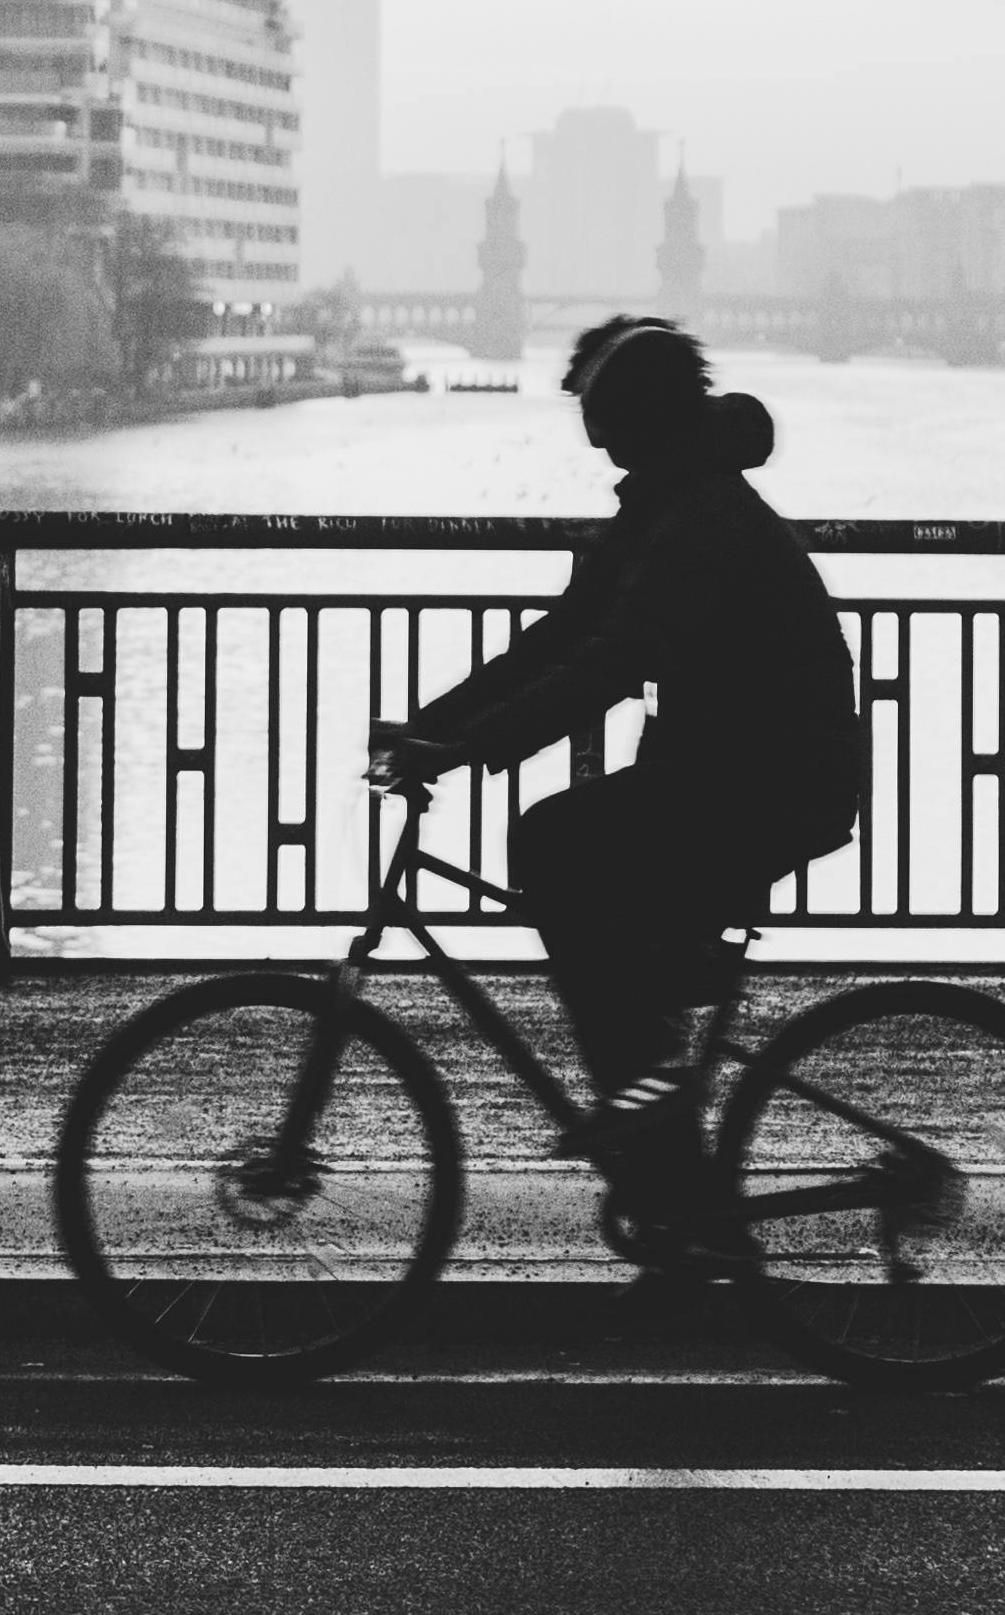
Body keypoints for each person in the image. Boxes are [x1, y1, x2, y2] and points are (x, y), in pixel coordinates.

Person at [369, 315, 866, 1262]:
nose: (595, 441)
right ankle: (669, 1165)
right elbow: (561, 638)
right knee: (574, 854)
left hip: (770, 782)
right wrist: (434, 726)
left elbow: (613, 657)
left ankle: (651, 1110)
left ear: (631, 418)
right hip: (727, 769)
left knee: (558, 841)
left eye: (599, 420)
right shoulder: (669, 501)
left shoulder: (700, 514)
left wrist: (469, 747)